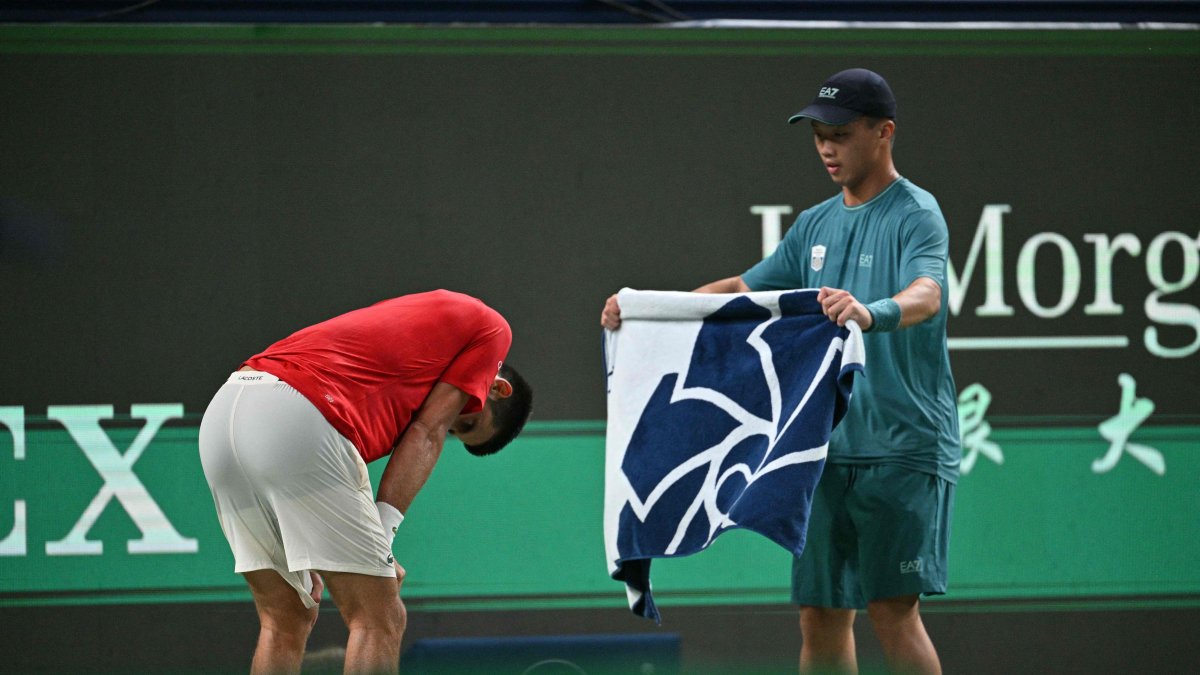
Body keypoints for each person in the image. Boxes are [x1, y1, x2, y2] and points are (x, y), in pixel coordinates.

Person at [601, 68, 958, 674]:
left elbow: (929, 291)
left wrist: (871, 313)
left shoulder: (917, 213)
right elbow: (743, 289)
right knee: (819, 614)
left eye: (840, 133)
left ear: (884, 133)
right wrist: (650, 316)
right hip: (820, 448)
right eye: (819, 132)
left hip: (903, 447)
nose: (826, 145)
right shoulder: (815, 223)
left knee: (892, 609)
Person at [199, 289, 533, 675]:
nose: (454, 416)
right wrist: (383, 537)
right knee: (379, 616)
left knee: (285, 617)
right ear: (496, 387)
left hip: (223, 417)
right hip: (295, 414)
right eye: (467, 419)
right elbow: (427, 431)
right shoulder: (491, 330)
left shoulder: (419, 330)